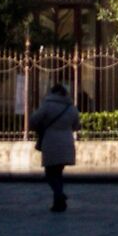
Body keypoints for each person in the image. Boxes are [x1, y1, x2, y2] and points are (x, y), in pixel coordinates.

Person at [31, 79, 78, 213]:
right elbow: (76, 125)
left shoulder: (47, 105)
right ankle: (59, 201)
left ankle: (59, 195)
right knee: (58, 172)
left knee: (49, 172)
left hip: (51, 141)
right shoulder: (71, 107)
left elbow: (34, 120)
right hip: (67, 142)